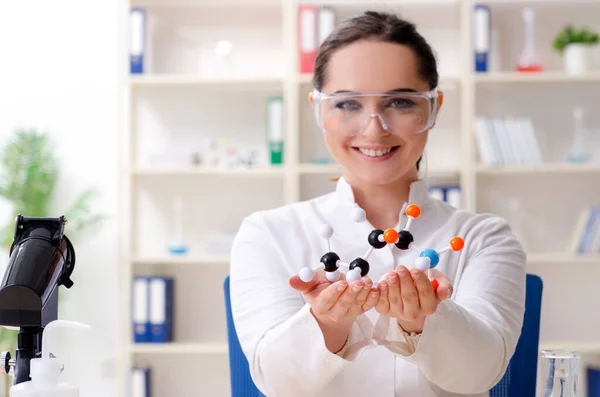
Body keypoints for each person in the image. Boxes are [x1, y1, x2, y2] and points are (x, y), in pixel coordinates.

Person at [229, 10, 526, 397]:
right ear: (319, 110)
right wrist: (326, 323)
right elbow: (277, 382)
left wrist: (425, 322)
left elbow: (480, 375)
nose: (374, 128)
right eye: (348, 104)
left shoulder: (484, 237)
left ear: (434, 108)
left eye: (400, 102)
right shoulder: (267, 234)